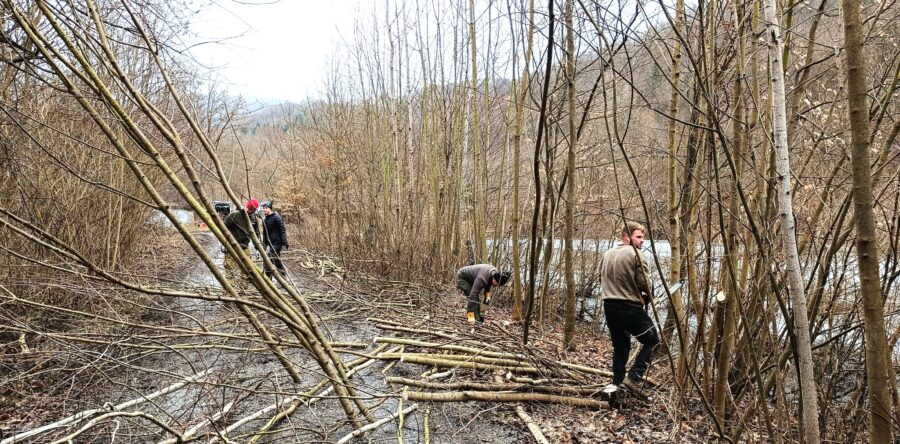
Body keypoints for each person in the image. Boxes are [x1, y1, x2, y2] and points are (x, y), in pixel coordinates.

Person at [599, 221, 659, 395]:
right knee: (653, 341)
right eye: (639, 237)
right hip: (629, 307)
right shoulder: (636, 255)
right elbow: (645, 283)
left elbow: (601, 279)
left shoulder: (607, 254)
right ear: (626, 237)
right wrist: (647, 296)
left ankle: (618, 384)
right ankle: (633, 378)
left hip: (609, 306)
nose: (642, 241)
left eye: (643, 237)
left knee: (621, 347)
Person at [223, 199, 260, 275]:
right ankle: (230, 285)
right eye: (250, 209)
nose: (251, 211)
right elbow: (223, 227)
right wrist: (224, 242)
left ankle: (244, 284)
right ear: (247, 207)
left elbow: (256, 234)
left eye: (254, 210)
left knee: (248, 268)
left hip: (244, 246)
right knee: (229, 267)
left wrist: (257, 249)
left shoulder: (254, 219)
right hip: (231, 245)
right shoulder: (235, 215)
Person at [260, 201, 288, 279]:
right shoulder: (265, 220)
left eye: (266, 208)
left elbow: (282, 229)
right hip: (270, 243)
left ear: (270, 209)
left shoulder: (276, 217)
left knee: (271, 257)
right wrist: (264, 245)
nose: (264, 210)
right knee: (273, 259)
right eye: (263, 208)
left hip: (277, 243)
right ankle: (268, 278)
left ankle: (282, 277)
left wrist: (285, 241)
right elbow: (265, 233)